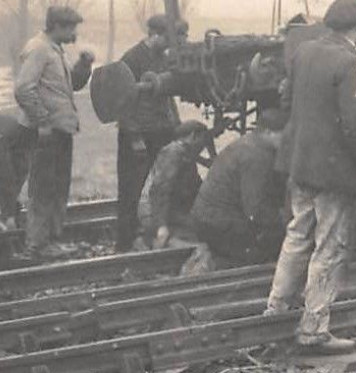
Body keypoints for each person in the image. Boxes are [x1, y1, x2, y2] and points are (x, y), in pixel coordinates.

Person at [263, 0, 356, 354]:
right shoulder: (351, 62)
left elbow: (287, 104)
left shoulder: (304, 52)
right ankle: (314, 327)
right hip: (333, 172)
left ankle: (275, 308)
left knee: (297, 235)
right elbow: (355, 126)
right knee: (330, 246)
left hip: (299, 163)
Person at [13, 5, 94, 256]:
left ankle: (52, 240)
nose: (74, 33)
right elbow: (24, 89)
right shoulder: (38, 49)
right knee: (43, 187)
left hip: (60, 131)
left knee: (58, 186)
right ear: (57, 26)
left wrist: (83, 65)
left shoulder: (55, 49)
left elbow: (68, 86)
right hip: (45, 133)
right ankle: (38, 243)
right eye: (70, 28)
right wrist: (44, 123)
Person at [114, 14, 185, 251]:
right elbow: (121, 102)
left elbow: (167, 96)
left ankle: (156, 233)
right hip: (139, 134)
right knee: (131, 189)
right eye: (167, 38)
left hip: (161, 129)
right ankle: (124, 243)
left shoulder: (162, 58)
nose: (170, 44)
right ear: (154, 35)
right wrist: (133, 137)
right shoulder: (132, 59)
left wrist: (175, 125)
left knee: (167, 181)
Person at [188, 108, 288, 267]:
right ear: (269, 132)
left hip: (208, 220)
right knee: (271, 247)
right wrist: (283, 222)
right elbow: (255, 209)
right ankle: (218, 263)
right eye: (285, 135)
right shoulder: (258, 156)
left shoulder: (249, 142)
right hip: (221, 225)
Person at [137, 119, 209, 249]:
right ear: (193, 136)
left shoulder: (185, 155)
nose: (202, 147)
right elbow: (160, 190)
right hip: (153, 212)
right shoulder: (174, 153)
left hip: (168, 211)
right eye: (202, 141)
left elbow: (197, 188)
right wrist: (161, 226)